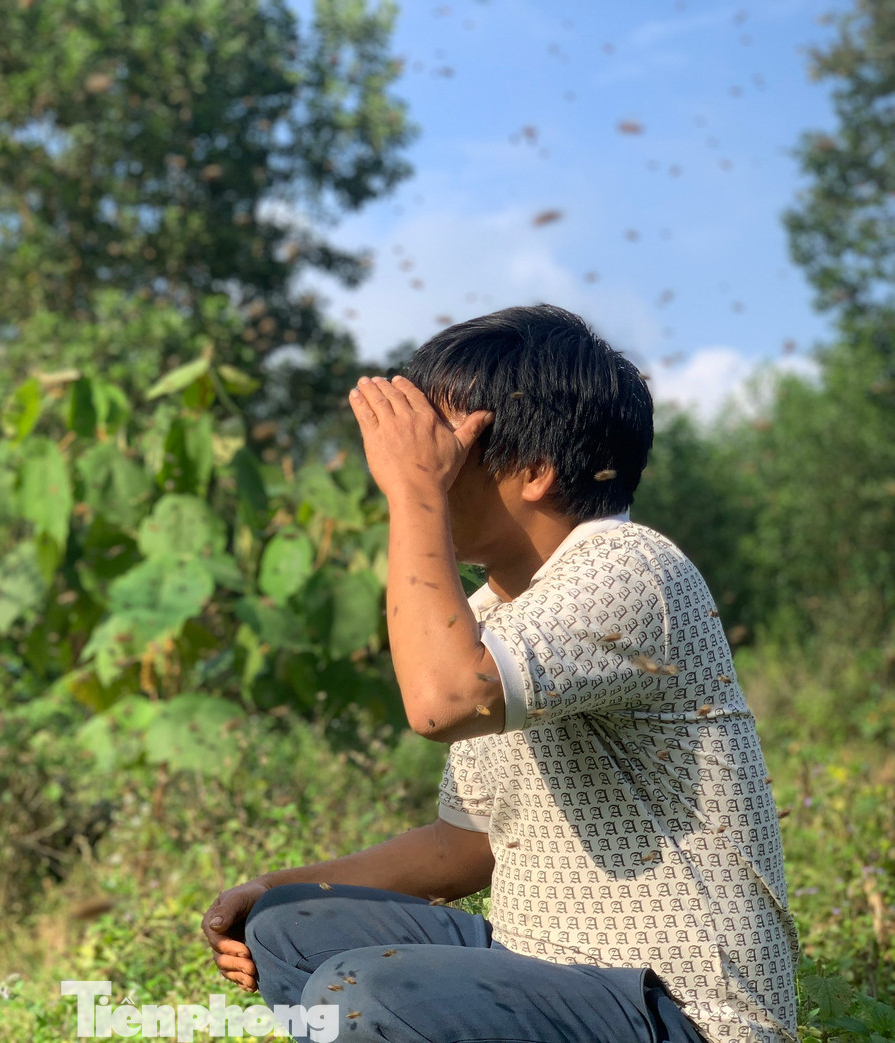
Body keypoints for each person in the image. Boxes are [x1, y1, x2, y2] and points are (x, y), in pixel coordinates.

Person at [202, 306, 798, 1042]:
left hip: (679, 1011)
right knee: (289, 928)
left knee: (362, 993)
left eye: (443, 444)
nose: (419, 460)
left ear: (536, 472)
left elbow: (444, 700)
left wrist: (413, 491)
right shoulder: (487, 613)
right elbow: (466, 845)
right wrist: (275, 886)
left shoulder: (632, 567)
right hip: (541, 965)